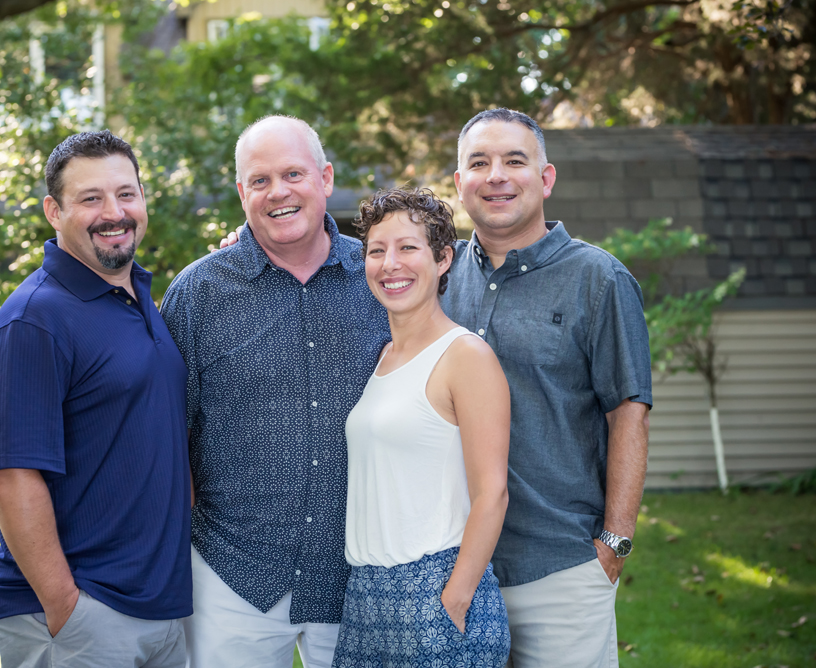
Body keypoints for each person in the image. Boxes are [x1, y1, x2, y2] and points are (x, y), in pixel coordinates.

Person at [159, 115, 390, 668]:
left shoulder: (385, 279)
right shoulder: (197, 294)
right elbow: (169, 434)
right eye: (259, 181)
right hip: (232, 573)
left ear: (326, 179)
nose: (278, 192)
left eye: (293, 173)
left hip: (361, 573)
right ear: (242, 193)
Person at [443, 108, 653, 667]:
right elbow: (356, 266)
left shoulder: (598, 278)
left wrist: (614, 542)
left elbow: (629, 412)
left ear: (546, 177)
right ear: (459, 182)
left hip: (559, 566)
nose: (497, 176)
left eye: (515, 160)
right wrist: (249, 242)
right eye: (479, 163)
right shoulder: (434, 279)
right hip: (451, 570)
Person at [0, 131, 191, 668]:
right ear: (54, 210)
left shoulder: (138, 299)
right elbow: (12, 475)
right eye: (90, 198)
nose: (113, 212)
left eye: (126, 194)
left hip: (161, 605)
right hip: (85, 613)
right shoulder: (34, 320)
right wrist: (66, 608)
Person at [332, 187, 511, 668]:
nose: (390, 263)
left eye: (408, 247)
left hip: (435, 595)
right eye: (376, 250)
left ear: (443, 259)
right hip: (366, 599)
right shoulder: (383, 358)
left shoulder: (465, 356)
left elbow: (492, 493)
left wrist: (454, 597)